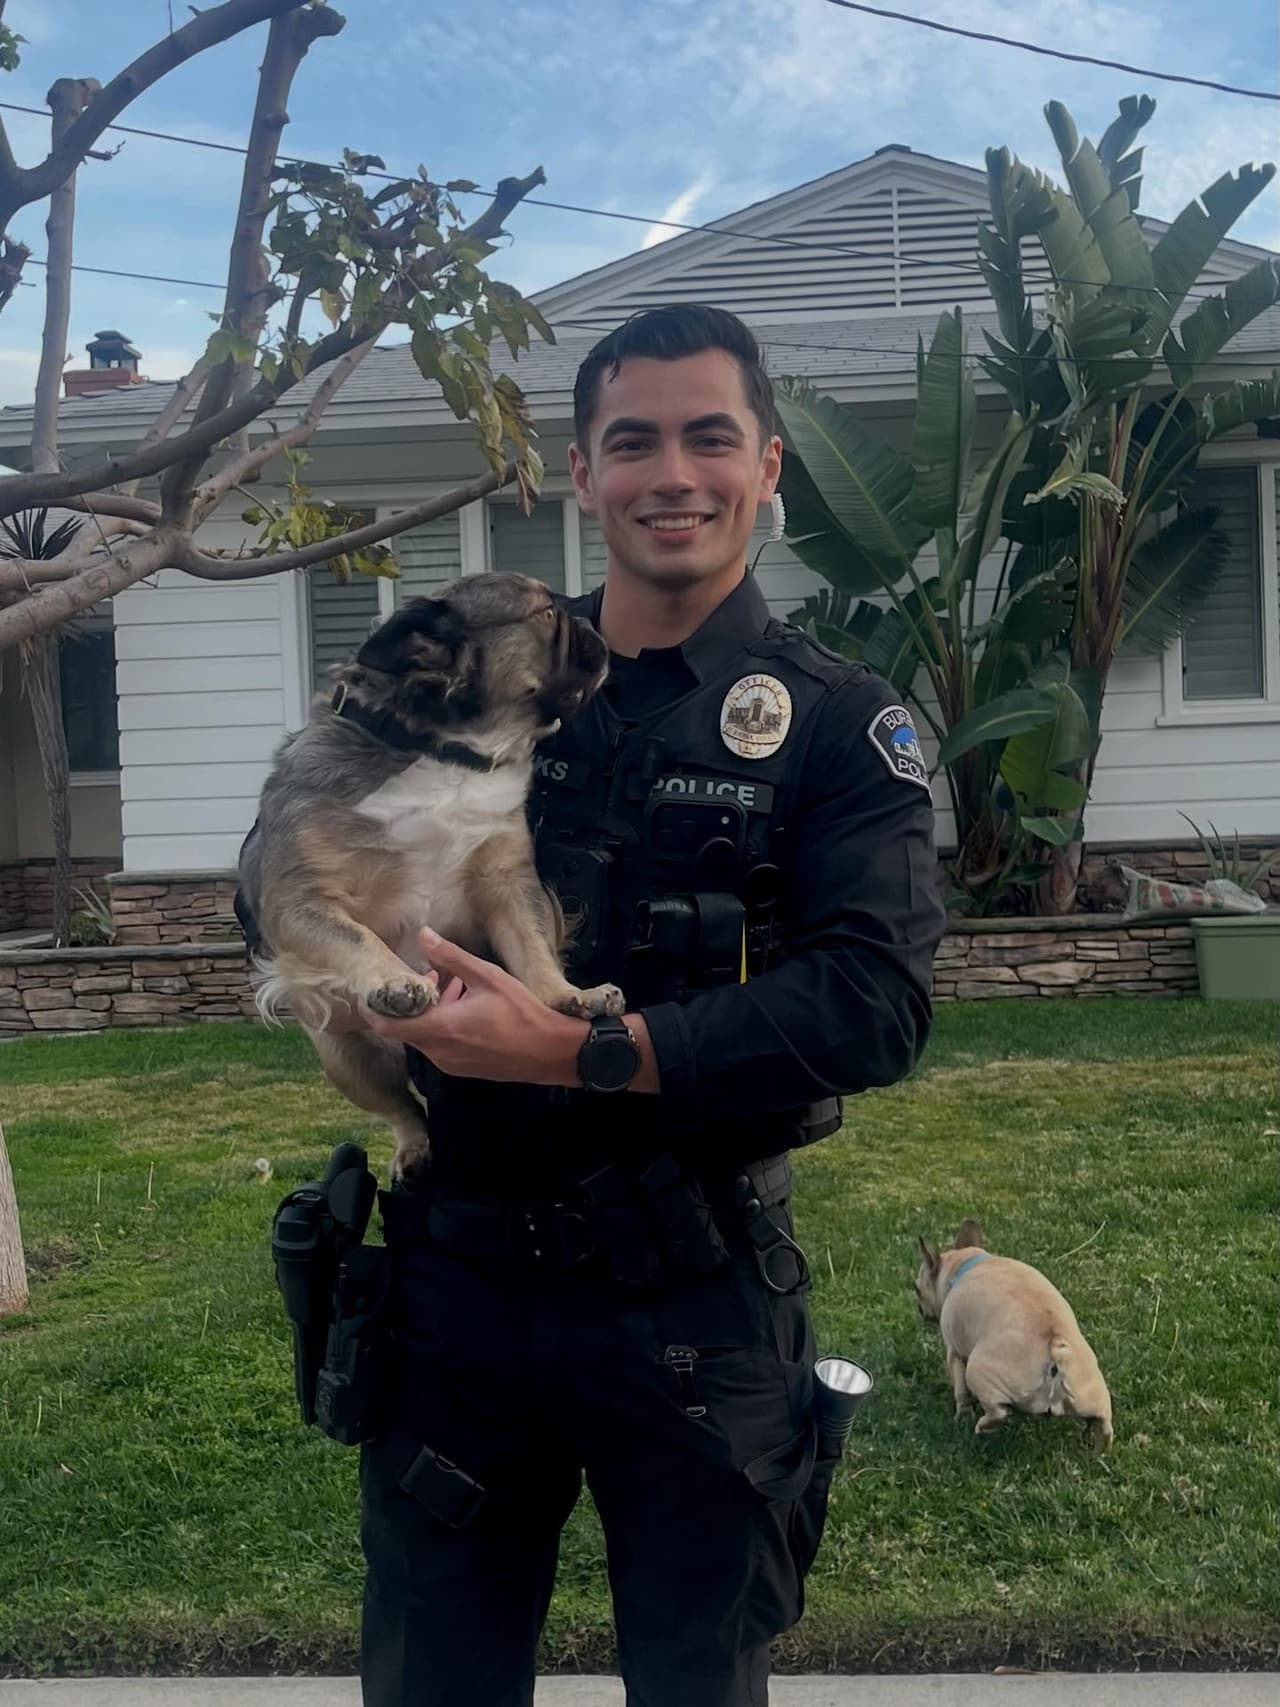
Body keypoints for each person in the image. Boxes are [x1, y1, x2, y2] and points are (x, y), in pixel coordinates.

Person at [351, 304, 946, 1706]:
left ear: (769, 466)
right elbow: (290, 851)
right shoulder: (473, 685)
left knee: (696, 1685)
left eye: (708, 437)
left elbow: (874, 1003)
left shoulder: (838, 725)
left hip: (695, 1301)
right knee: (431, 1684)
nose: (672, 473)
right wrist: (334, 929)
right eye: (634, 442)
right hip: (459, 1292)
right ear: (582, 475)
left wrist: (581, 1051)